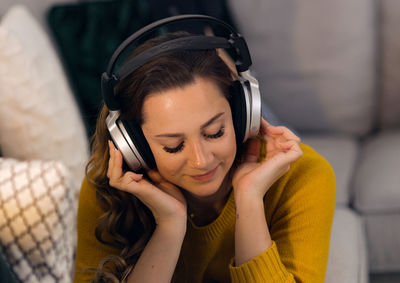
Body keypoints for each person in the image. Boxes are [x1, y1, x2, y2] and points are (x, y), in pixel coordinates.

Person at [73, 25, 335, 283]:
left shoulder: (304, 175)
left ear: (240, 113)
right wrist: (170, 226)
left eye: (215, 132)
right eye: (173, 146)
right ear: (134, 145)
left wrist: (249, 199)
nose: (202, 161)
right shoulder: (107, 189)